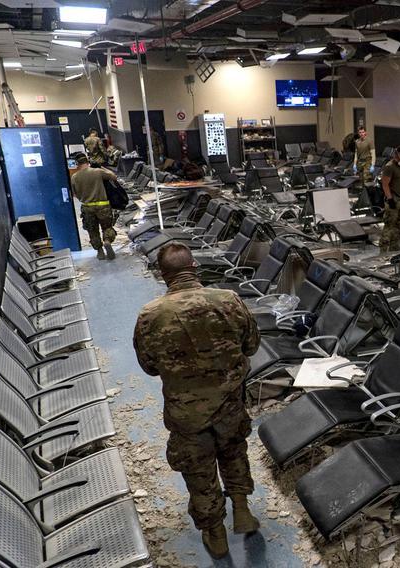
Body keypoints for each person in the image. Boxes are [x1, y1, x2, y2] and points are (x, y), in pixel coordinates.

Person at [133, 243, 261, 559]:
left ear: (163, 275)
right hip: (230, 403)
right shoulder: (229, 300)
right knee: (233, 452)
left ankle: (215, 534)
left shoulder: (151, 315)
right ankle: (242, 512)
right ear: (195, 266)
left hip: (187, 414)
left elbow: (149, 366)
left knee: (200, 472)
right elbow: (251, 346)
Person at [70, 154, 118, 260]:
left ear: (77, 164)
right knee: (107, 227)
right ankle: (107, 241)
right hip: (103, 206)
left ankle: (100, 251)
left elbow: (75, 194)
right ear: (88, 162)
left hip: (87, 207)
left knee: (92, 230)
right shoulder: (97, 172)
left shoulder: (74, 177)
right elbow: (114, 177)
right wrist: (102, 167)